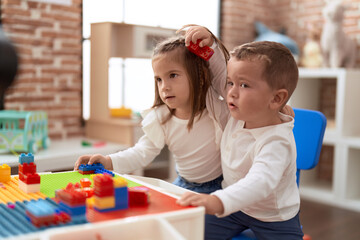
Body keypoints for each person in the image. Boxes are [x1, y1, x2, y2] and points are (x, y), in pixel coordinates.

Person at [74, 25, 230, 194]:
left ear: (200, 77)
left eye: (173, 75)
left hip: (218, 188)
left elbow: (223, 77)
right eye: (159, 79)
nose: (164, 87)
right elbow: (142, 152)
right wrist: (108, 161)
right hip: (182, 184)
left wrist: (211, 45)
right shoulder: (161, 118)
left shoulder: (216, 108)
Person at [177, 40, 304, 239]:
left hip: (273, 217)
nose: (231, 92)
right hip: (235, 209)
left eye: (244, 85)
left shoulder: (277, 141)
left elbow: (260, 182)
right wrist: (209, 43)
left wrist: (219, 201)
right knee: (189, 232)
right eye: (231, 83)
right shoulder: (236, 114)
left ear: (276, 99)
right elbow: (219, 74)